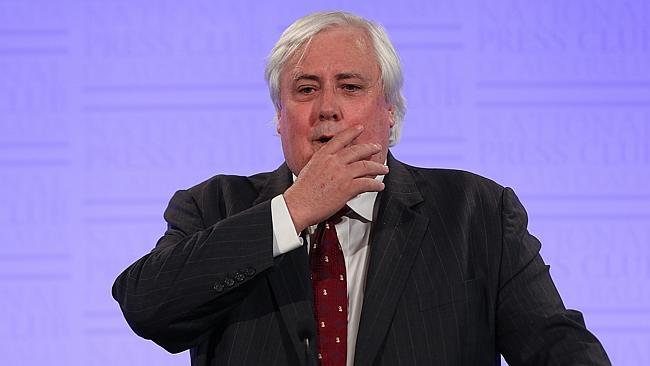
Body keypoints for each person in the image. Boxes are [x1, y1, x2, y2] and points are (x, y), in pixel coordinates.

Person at [112, 11, 610, 366]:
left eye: (350, 87)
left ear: (390, 113)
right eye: (305, 89)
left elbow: (557, 348)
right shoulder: (213, 206)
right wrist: (292, 211)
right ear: (280, 117)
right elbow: (148, 307)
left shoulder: (475, 213)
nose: (327, 108)